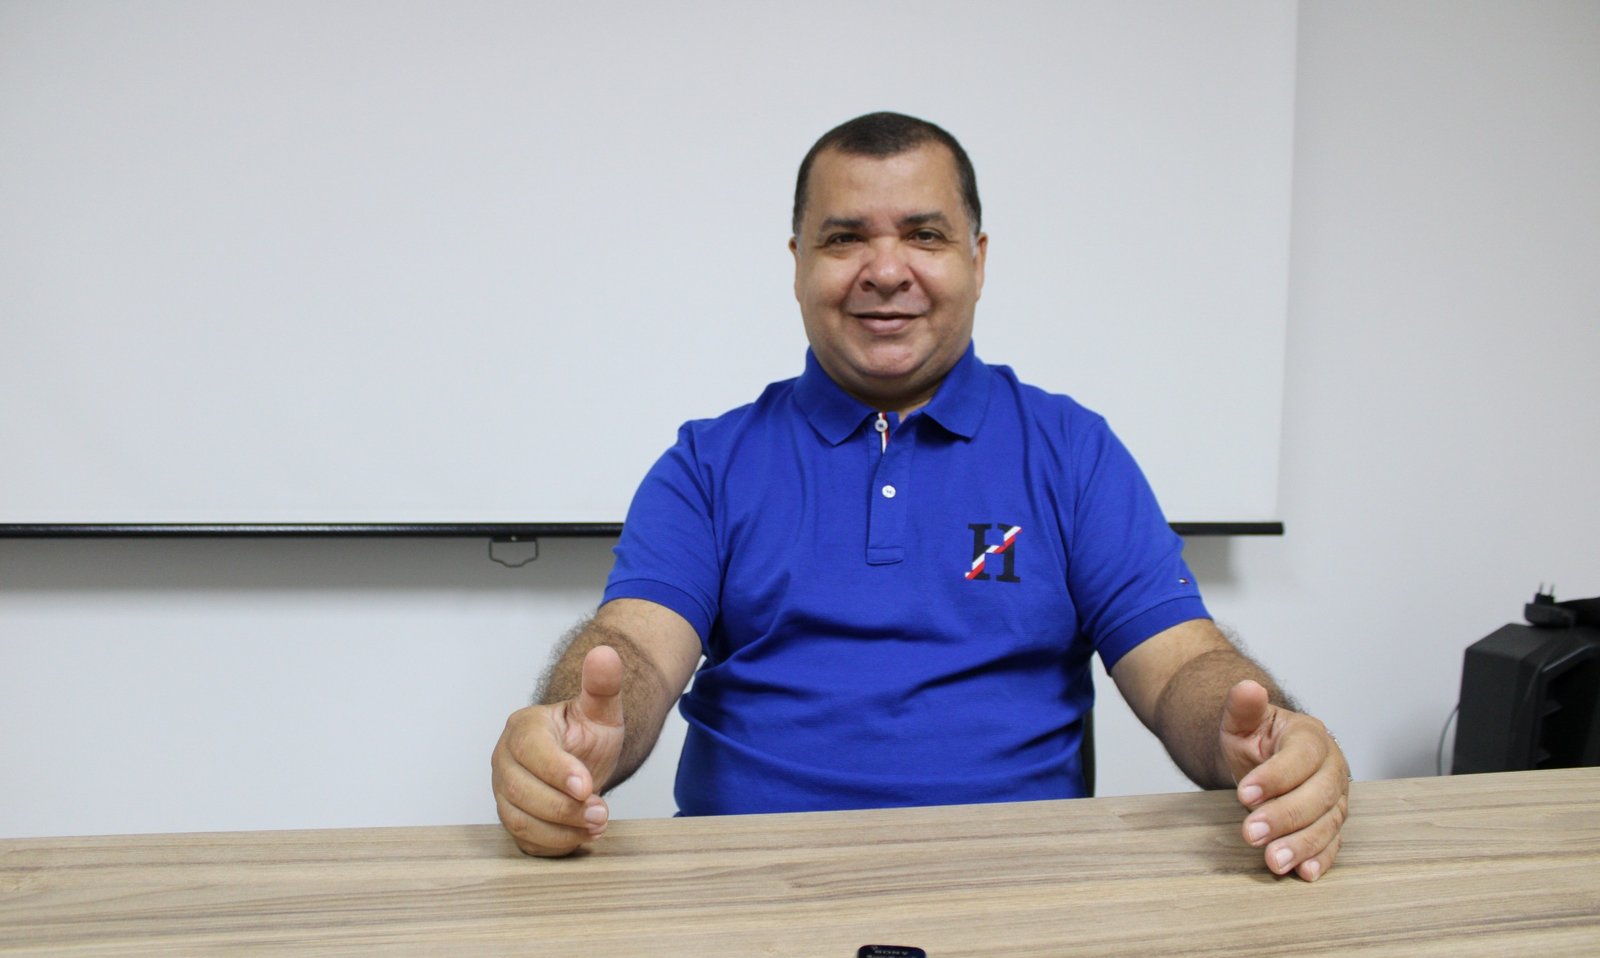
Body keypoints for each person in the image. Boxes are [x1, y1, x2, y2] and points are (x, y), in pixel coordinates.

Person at [492, 112, 1350, 879]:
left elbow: (1185, 668)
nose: (885, 270)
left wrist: (1265, 737)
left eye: (924, 234)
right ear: (797, 265)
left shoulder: (1072, 451)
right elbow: (634, 651)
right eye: (844, 238)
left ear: (978, 259)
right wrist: (568, 730)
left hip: (1021, 894)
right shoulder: (707, 463)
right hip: (747, 891)